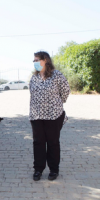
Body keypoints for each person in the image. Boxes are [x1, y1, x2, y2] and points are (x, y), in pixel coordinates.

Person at [29, 51, 70, 181]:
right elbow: (32, 94)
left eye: (37, 60)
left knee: (53, 143)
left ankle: (54, 169)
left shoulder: (56, 75)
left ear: (45, 60)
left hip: (54, 115)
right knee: (38, 143)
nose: (35, 63)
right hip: (36, 115)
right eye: (34, 61)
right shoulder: (34, 78)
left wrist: (56, 103)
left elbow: (65, 91)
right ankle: (38, 169)